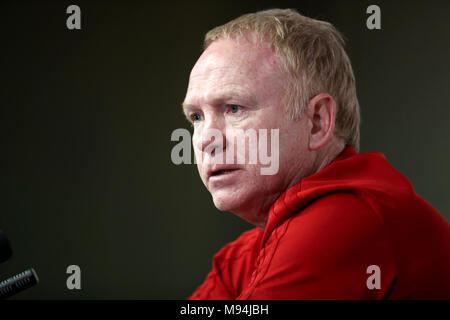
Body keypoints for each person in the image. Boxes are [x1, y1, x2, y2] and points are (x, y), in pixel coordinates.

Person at [181, 8, 450, 299]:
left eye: (234, 108)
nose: (206, 138)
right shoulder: (242, 259)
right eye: (196, 117)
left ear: (317, 122)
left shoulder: (345, 221)